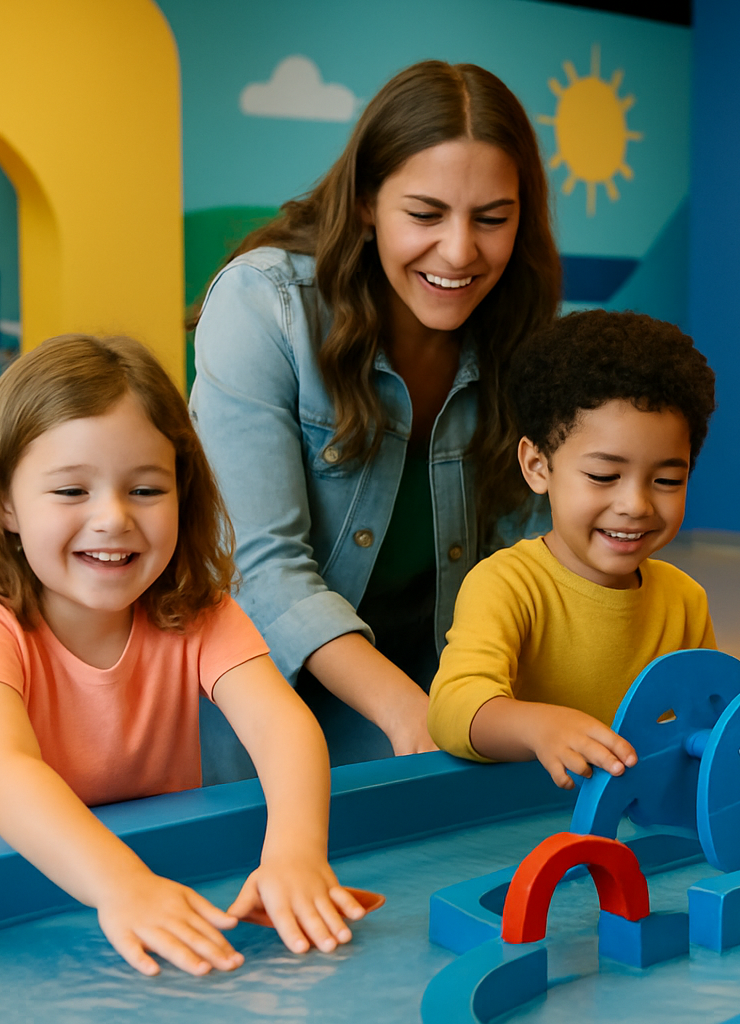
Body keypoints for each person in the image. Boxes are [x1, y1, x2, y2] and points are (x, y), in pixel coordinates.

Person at [0, 335, 365, 977]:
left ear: (182, 493)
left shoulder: (199, 613)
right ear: (6, 503)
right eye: (71, 492)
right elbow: (4, 771)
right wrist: (120, 883)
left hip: (146, 893)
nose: (113, 518)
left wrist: (295, 853)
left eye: (145, 490)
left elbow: (282, 727)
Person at [189, 60, 561, 780]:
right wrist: (409, 711)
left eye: (492, 219)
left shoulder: (522, 339)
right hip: (272, 702)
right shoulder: (265, 305)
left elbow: (532, 556)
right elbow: (260, 569)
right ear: (365, 202)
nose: (459, 251)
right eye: (425, 214)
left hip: (446, 694)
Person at [427, 311, 718, 788]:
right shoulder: (506, 585)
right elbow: (453, 706)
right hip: (518, 824)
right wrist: (538, 727)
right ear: (538, 466)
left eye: (668, 480)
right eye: (604, 476)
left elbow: (708, 720)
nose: (635, 504)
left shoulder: (685, 600)